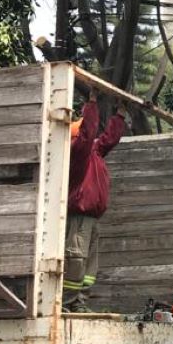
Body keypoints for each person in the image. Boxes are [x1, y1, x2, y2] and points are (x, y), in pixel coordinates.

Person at [63, 94, 126, 313]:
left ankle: (79, 302)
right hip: (79, 216)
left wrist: (120, 115)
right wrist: (91, 102)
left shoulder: (94, 153)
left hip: (90, 218)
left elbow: (110, 138)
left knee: (88, 264)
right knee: (76, 259)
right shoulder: (76, 152)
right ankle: (67, 303)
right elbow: (89, 131)